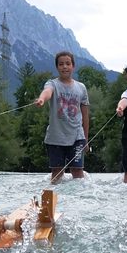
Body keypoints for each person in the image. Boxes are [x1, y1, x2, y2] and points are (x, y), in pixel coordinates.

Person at [35, 51, 90, 183]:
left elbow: (85, 115)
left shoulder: (81, 87)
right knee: (57, 172)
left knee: (77, 172)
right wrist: (42, 99)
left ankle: (80, 200)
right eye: (61, 64)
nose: (64, 66)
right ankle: (53, 200)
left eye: (67, 63)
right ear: (57, 67)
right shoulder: (52, 84)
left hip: (77, 136)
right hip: (56, 137)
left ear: (73, 66)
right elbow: (47, 92)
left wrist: (86, 139)